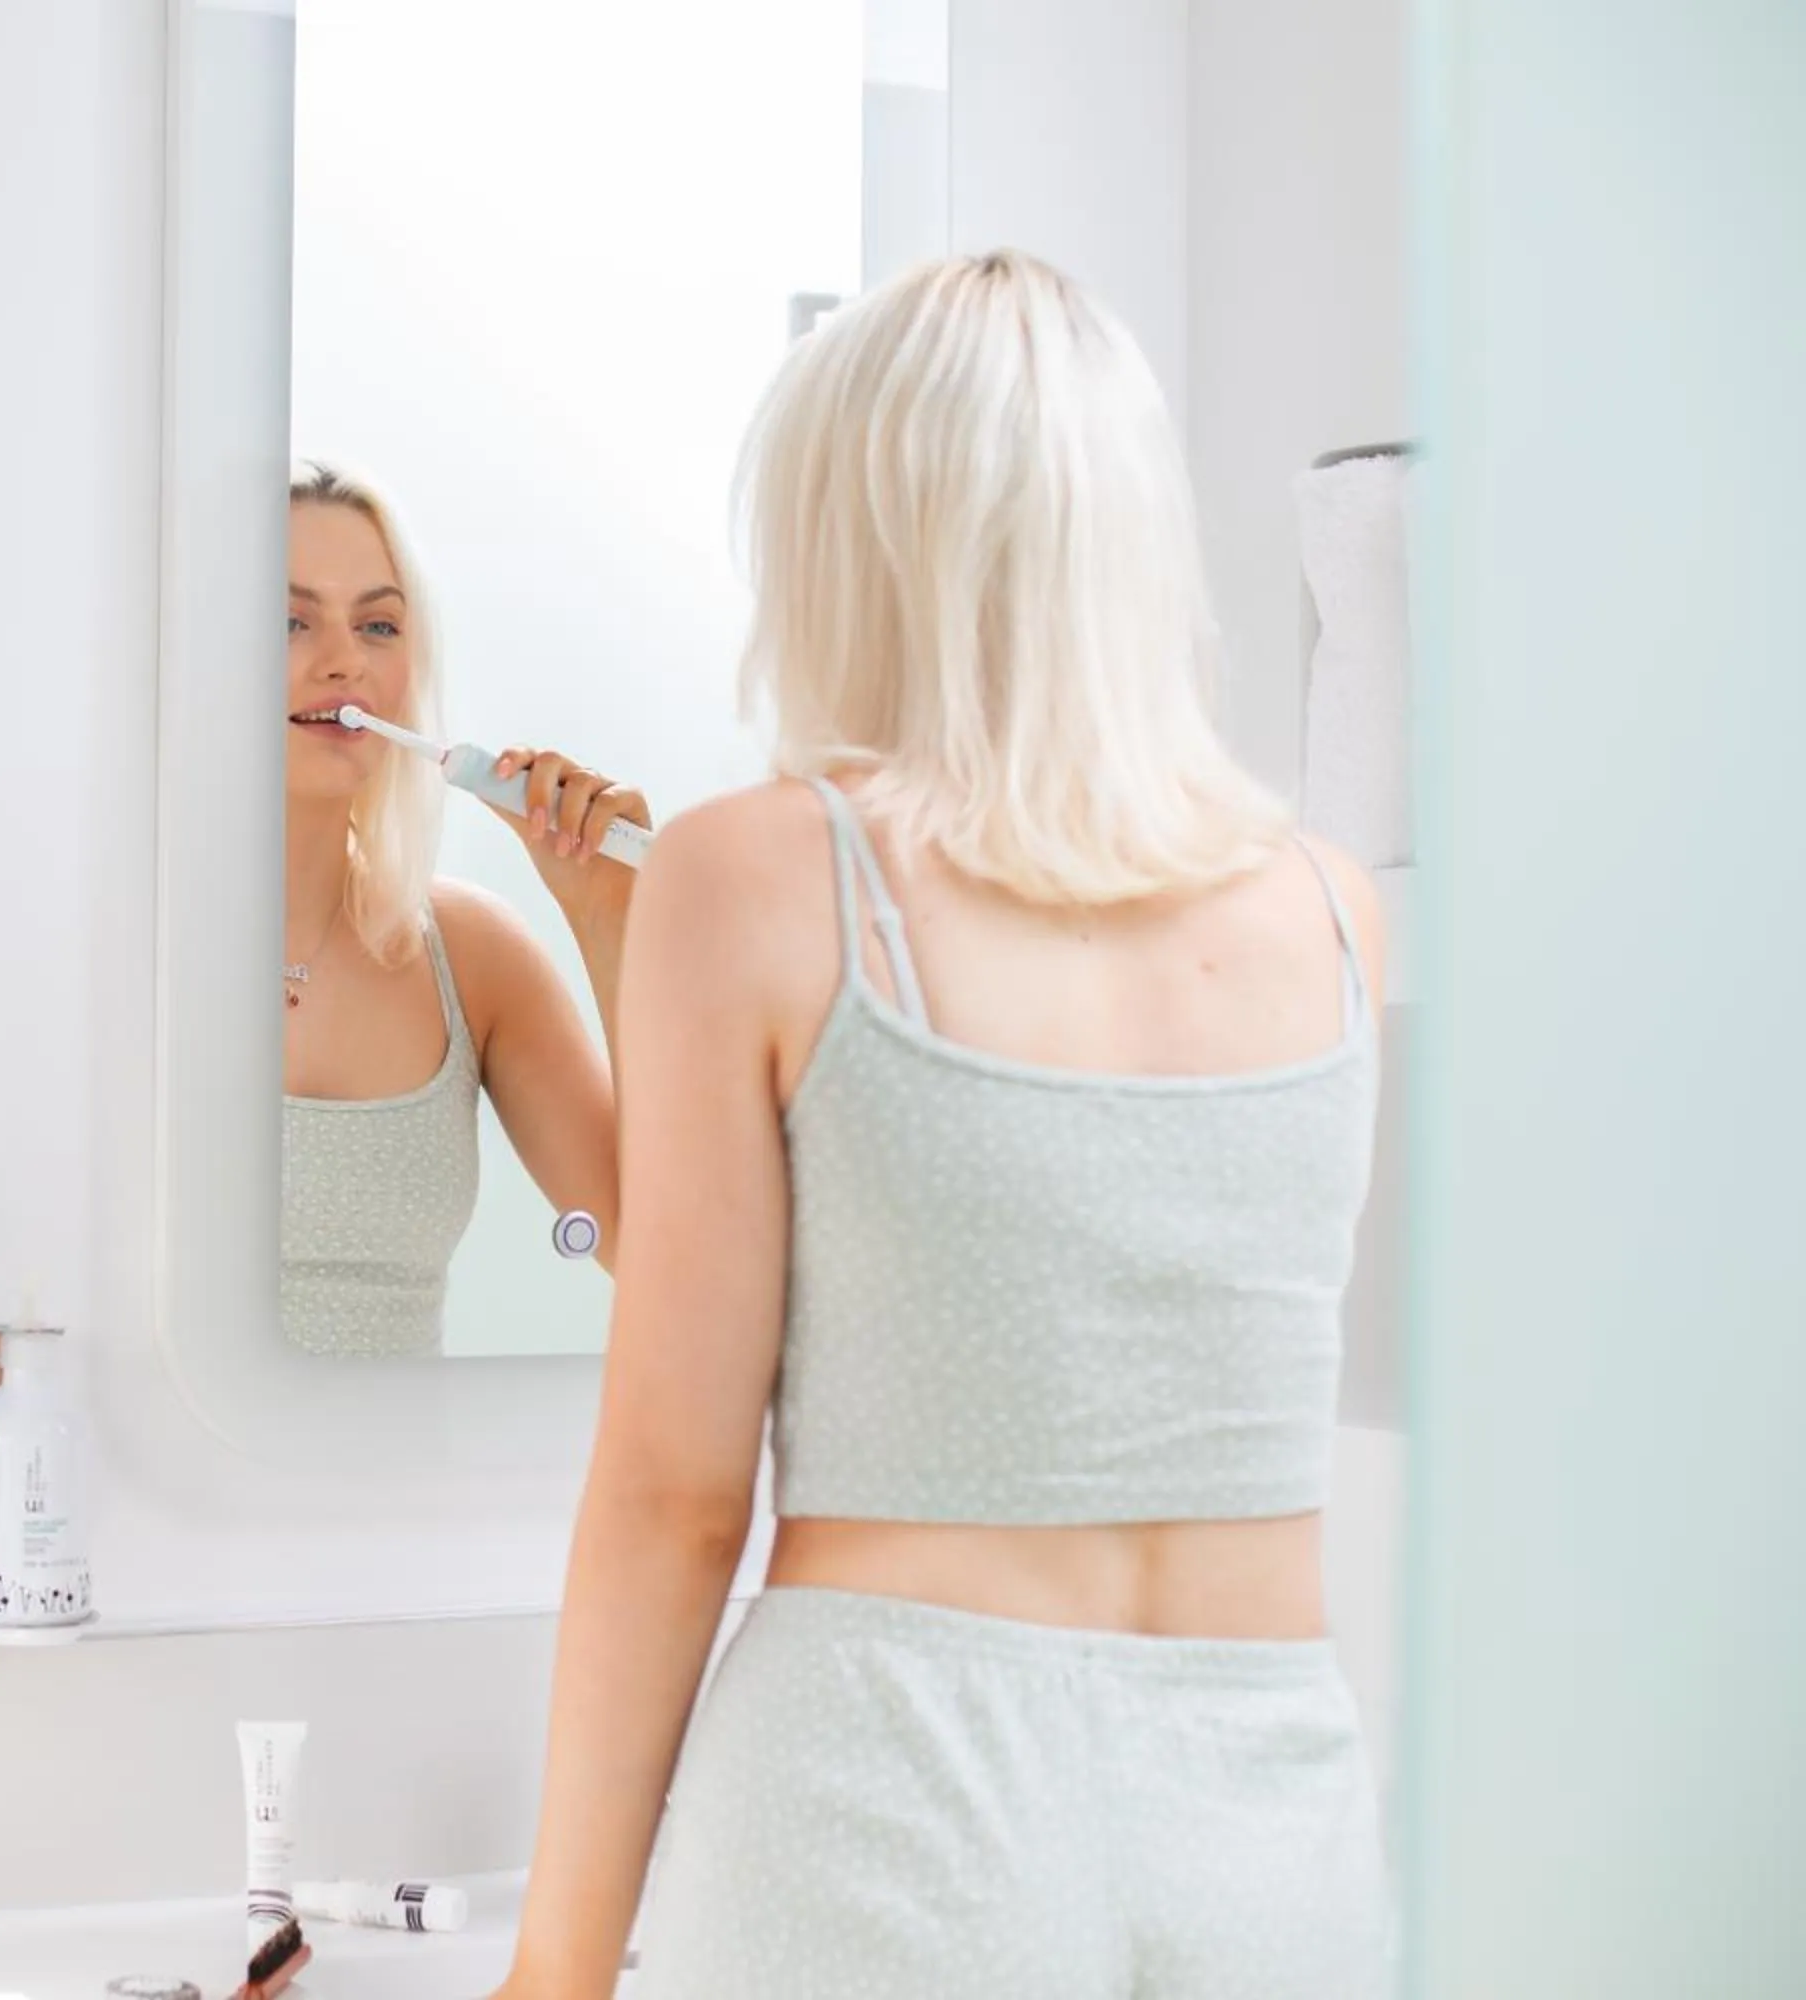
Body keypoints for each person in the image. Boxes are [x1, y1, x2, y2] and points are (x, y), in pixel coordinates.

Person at [492, 253, 1391, 1998]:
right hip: (1278, 1834)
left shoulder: (763, 875)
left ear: (848, 550)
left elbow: (679, 1498)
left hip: (886, 1815)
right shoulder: (1331, 912)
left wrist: (553, 1971)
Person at [281, 464, 650, 1357]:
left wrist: (611, 920)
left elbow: (665, 1259)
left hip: (402, 1494)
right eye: (288, 620)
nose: (346, 660)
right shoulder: (107, 947)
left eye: (378, 625)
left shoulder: (471, 957)